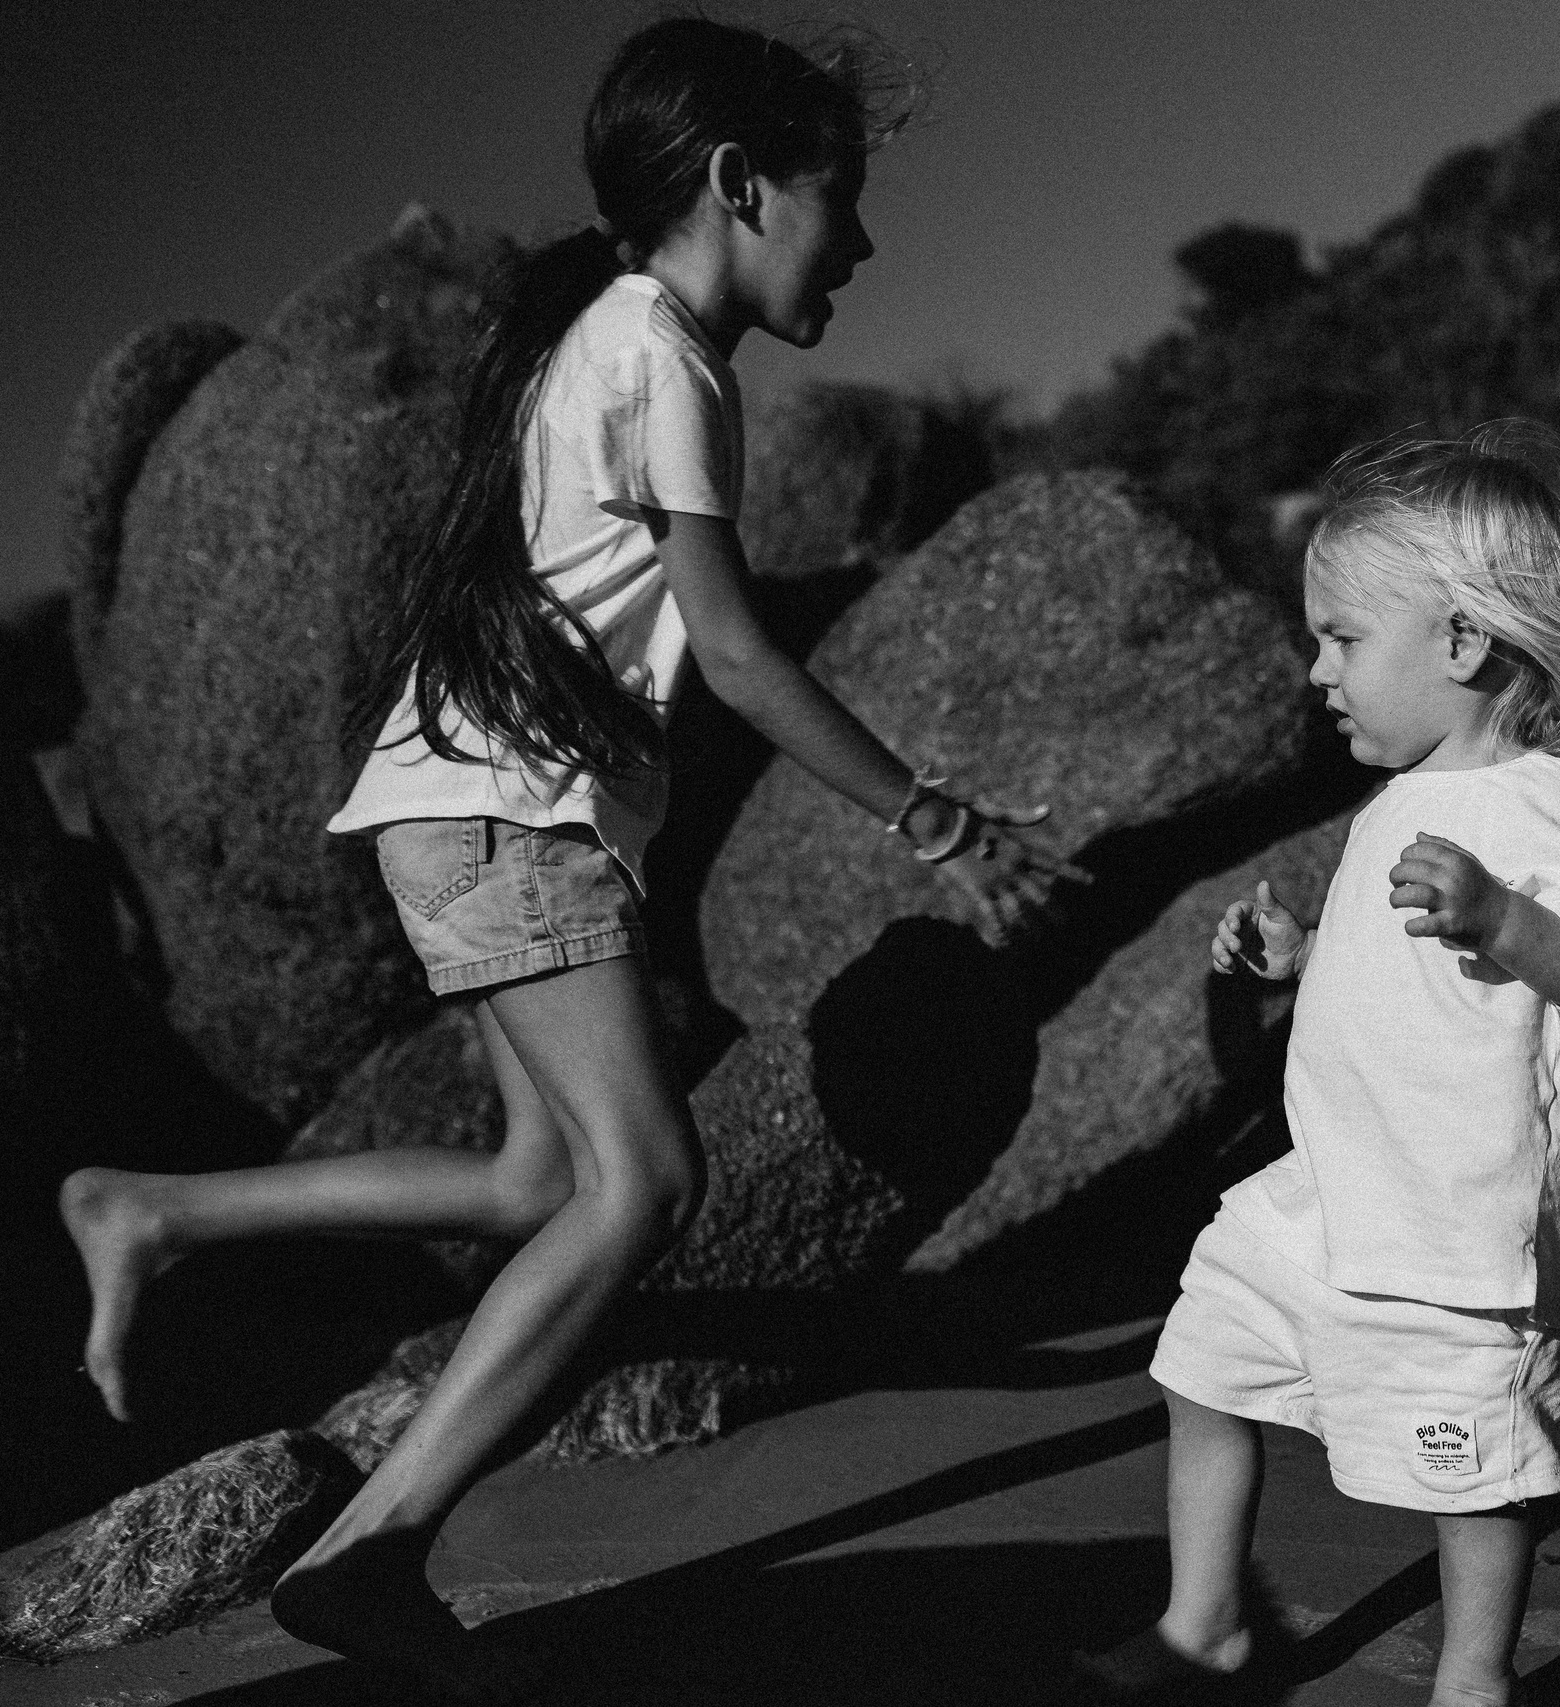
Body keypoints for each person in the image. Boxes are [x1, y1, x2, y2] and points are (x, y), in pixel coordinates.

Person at [57, 19, 1072, 1702]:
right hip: (506, 819)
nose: (868, 241)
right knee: (648, 1180)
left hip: (446, 808)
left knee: (547, 1181)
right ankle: (371, 1554)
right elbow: (737, 654)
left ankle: (153, 1208)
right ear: (743, 186)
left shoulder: (592, 336)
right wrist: (935, 818)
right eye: (844, 197)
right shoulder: (665, 356)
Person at [1081, 422, 1560, 1706]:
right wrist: (1300, 957)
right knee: (1198, 1365)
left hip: (1453, 1228)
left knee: (1481, 1475)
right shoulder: (1397, 797)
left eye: (1343, 638)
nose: (1316, 670)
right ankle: (1206, 1624)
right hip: (1328, 1196)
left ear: (1461, 643)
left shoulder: (1540, 798)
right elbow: (1398, 977)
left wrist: (1507, 921)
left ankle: (1472, 1678)